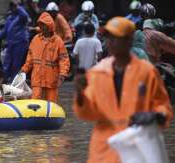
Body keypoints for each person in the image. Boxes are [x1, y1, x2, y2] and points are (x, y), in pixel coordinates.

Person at [73, 17, 173, 163]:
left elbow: (164, 106)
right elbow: (88, 114)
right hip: (103, 152)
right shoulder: (97, 73)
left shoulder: (147, 72)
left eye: (116, 38)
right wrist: (80, 94)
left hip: (137, 150)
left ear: (129, 40)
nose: (110, 42)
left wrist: (157, 116)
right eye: (108, 38)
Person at [21, 12, 70, 103]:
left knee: (50, 105)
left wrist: (63, 73)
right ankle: (35, 117)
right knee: (35, 104)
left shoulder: (58, 42)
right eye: (41, 25)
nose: (42, 27)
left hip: (51, 79)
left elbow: (64, 59)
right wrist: (24, 69)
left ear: (50, 26)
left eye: (44, 25)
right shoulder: (36, 39)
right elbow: (30, 58)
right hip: (37, 79)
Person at [0, 0, 30, 83]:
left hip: (20, 42)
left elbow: (25, 16)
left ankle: (13, 82)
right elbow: (5, 31)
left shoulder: (21, 16)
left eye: (14, 6)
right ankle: (4, 81)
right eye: (12, 6)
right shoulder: (10, 17)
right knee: (7, 63)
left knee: (16, 64)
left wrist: (17, 6)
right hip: (10, 43)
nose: (13, 7)